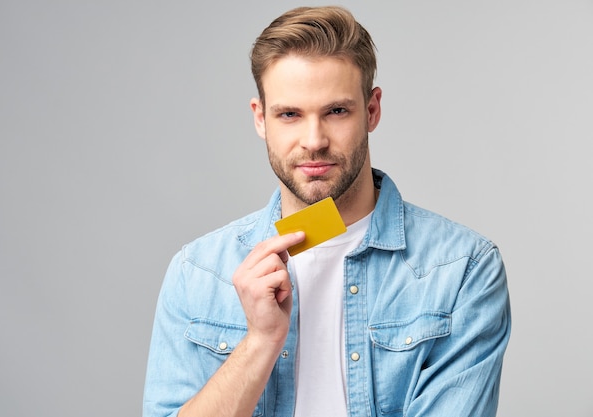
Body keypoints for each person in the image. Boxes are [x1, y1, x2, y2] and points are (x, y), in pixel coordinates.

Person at [143, 5, 511, 417]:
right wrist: (260, 342)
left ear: (371, 110)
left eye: (336, 111)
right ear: (261, 118)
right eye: (289, 115)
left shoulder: (462, 270)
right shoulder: (197, 273)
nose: (314, 140)